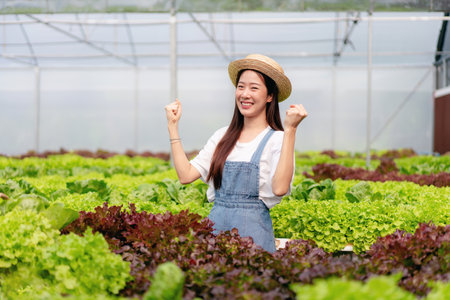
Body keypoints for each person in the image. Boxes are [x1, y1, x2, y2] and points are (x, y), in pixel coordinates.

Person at [164, 54, 307, 252]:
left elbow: (280, 188)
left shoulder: (278, 139)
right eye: (241, 86)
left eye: (254, 88)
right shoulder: (222, 136)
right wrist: (173, 126)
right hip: (216, 236)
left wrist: (291, 130)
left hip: (254, 241)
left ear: (269, 96)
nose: (245, 94)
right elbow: (185, 175)